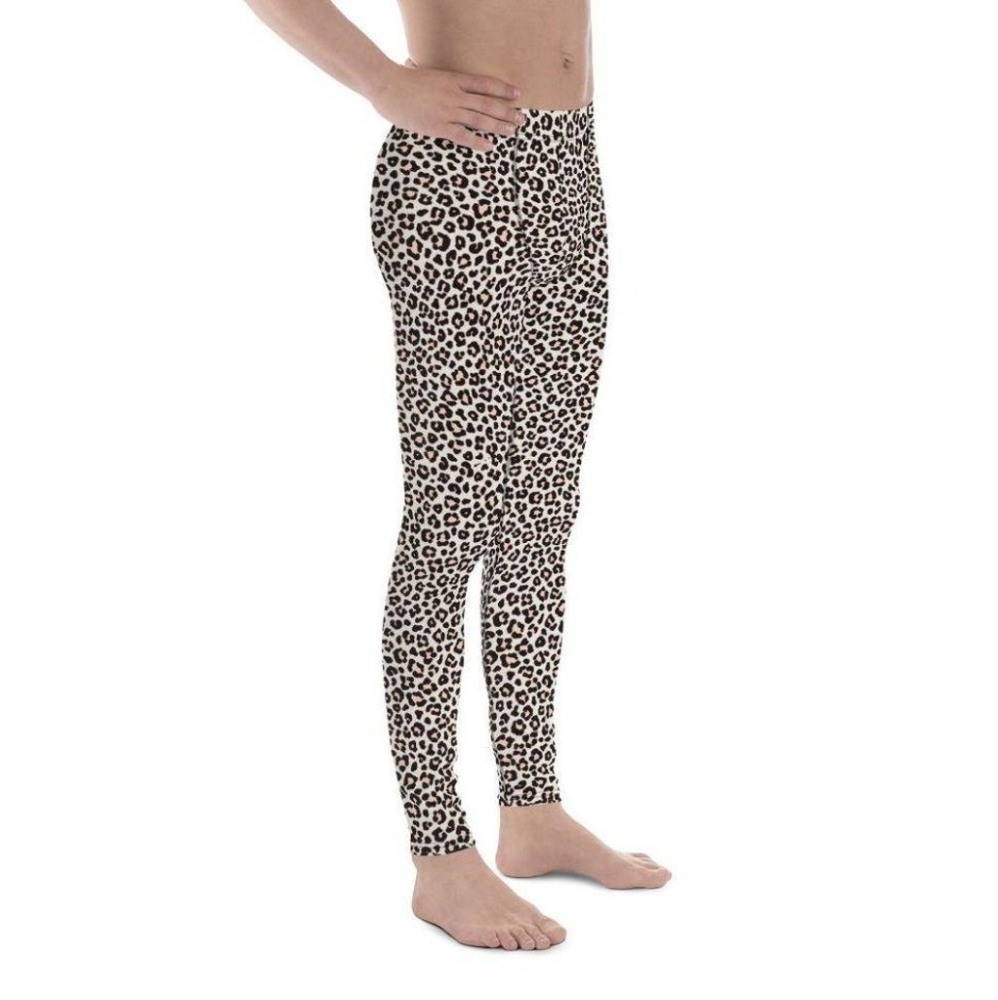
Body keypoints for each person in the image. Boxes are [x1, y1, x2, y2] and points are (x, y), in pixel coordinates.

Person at [242, 0, 672, 949]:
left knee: (540, 519)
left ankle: (533, 811)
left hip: (570, 165)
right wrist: (382, 83)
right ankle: (440, 857)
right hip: (459, 177)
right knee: (450, 523)